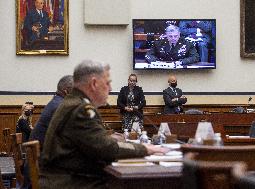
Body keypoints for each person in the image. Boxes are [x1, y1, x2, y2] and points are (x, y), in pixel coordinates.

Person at [40, 60, 168, 189]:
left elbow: (95, 143)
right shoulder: (81, 110)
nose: (111, 88)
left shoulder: (73, 102)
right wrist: (145, 149)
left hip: (69, 178)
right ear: (94, 83)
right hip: (70, 182)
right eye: (107, 83)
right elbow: (107, 148)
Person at [29, 75, 73, 148]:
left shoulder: (56, 102)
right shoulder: (60, 106)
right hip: (43, 155)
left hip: (41, 152)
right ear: (66, 91)